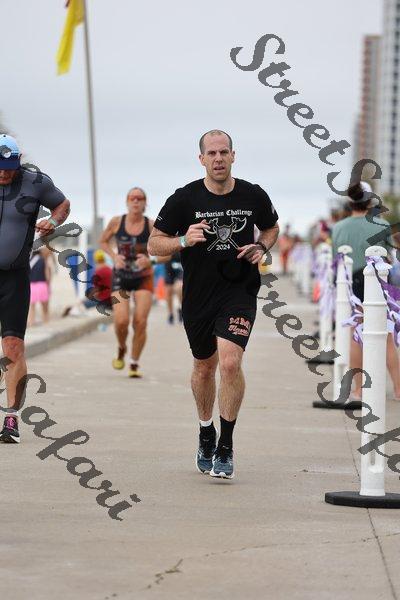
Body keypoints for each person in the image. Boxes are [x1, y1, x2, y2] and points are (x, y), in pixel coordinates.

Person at [148, 129, 279, 478]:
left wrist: (262, 247)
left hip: (239, 292)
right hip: (199, 296)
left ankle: (226, 445)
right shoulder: (183, 199)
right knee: (204, 367)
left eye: (224, 152)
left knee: (230, 363)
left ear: (233, 156)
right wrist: (182, 240)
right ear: (201, 159)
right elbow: (154, 244)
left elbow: (271, 228)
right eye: (212, 153)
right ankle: (206, 430)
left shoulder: (253, 194)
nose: (218, 159)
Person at [0, 134, 70, 443]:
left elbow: (62, 204)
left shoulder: (35, 182)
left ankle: (11, 418)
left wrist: (53, 222)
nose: (4, 174)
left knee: (13, 347)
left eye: (9, 168)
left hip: (14, 277)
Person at [331, 181, 400, 400]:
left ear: (350, 201)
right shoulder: (382, 225)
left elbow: (336, 262)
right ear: (370, 201)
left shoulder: (338, 228)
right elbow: (390, 258)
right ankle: (399, 389)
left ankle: (359, 389)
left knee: (356, 335)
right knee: (386, 336)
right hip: (377, 283)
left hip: (352, 284)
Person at [100, 187, 166, 378]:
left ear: (145, 202)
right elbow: (103, 241)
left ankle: (134, 363)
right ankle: (122, 347)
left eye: (140, 198)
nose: (136, 201)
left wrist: (151, 261)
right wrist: (114, 256)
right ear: (127, 201)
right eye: (132, 198)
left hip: (143, 277)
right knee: (121, 321)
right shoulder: (116, 222)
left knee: (140, 321)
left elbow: (168, 252)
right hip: (121, 276)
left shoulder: (151, 225)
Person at [28, 249, 52, 326]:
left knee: (32, 306)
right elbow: (47, 276)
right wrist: (48, 286)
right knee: (44, 307)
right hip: (42, 285)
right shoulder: (44, 260)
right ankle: (46, 321)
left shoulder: (30, 260)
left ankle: (31, 321)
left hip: (31, 285)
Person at [165, 251, 183, 324]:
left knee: (179, 287)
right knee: (168, 290)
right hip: (169, 266)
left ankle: (180, 308)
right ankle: (170, 314)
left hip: (179, 266)